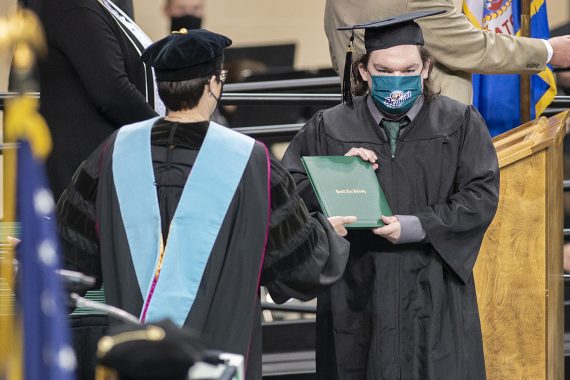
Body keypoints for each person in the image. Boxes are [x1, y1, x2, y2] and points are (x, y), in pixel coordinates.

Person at [56, 28, 353, 380]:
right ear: (213, 85)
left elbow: (72, 255)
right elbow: (298, 266)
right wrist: (327, 234)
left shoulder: (112, 153)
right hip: (221, 358)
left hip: (135, 356)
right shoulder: (250, 162)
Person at [282, 11, 500, 379]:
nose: (396, 80)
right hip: (356, 292)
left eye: (408, 70)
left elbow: (480, 197)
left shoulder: (459, 122)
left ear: (427, 68)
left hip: (433, 291)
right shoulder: (330, 127)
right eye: (384, 70)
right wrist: (335, 173)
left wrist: (418, 225)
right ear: (364, 71)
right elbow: (289, 193)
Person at [35, 0, 164, 199]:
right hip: (87, 166)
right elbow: (112, 91)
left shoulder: (95, 5)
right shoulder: (74, 7)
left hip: (102, 159)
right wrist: (165, 131)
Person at [325, 0, 570, 105]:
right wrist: (549, 51)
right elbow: (471, 48)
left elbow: (339, 60)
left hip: (361, 119)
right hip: (425, 135)